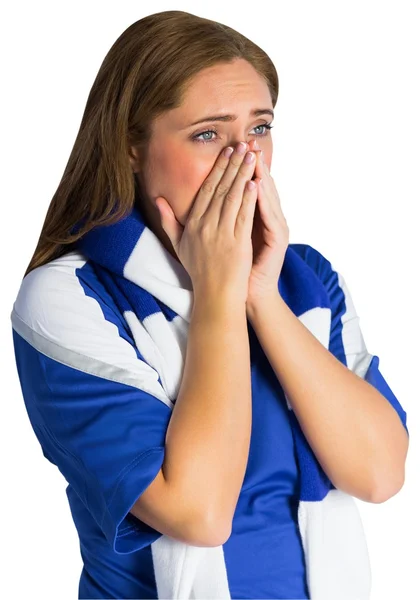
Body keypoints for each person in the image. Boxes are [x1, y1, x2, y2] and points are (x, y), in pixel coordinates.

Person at [10, 10, 409, 600]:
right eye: (207, 134)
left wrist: (259, 296)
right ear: (130, 148)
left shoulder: (307, 279)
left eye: (260, 129)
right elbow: (198, 513)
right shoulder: (68, 298)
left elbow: (379, 475)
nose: (244, 160)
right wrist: (218, 293)